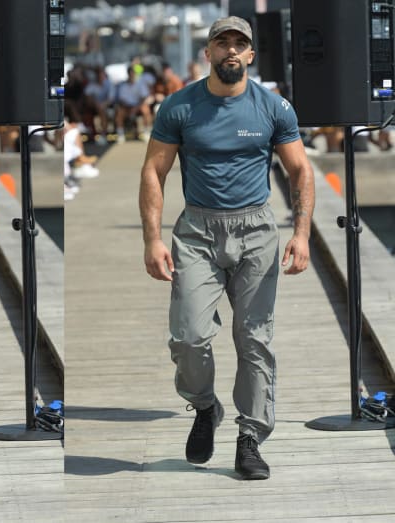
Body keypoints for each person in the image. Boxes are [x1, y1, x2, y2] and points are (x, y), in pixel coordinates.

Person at [139, 16, 315, 480]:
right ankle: (204, 407)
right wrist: (153, 239)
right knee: (188, 337)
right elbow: (154, 172)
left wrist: (301, 233)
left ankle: (250, 437)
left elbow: (300, 171)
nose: (231, 51)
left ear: (251, 55)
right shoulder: (179, 107)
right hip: (197, 230)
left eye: (240, 44)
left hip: (257, 230)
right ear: (209, 53)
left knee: (254, 338)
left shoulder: (273, 107)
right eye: (223, 44)